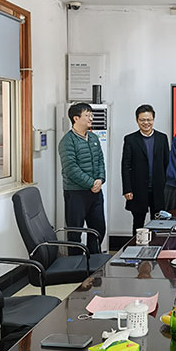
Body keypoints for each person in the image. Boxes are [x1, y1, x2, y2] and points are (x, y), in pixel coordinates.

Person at [58, 102, 106, 254]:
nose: (91, 118)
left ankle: (95, 261)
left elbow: (100, 161)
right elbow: (71, 169)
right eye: (87, 115)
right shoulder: (67, 141)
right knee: (75, 233)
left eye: (92, 115)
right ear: (76, 118)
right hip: (76, 193)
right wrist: (91, 183)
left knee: (98, 230)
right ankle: (76, 264)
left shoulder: (93, 138)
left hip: (95, 193)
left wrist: (100, 179)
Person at [122, 104, 170, 234]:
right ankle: (136, 245)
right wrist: (127, 189)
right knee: (138, 222)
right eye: (142, 120)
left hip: (158, 188)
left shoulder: (162, 138)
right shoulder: (130, 139)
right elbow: (125, 165)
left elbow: (167, 163)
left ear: (153, 119)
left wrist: (167, 187)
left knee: (159, 223)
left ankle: (157, 245)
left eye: (149, 119)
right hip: (137, 188)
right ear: (137, 120)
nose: (146, 123)